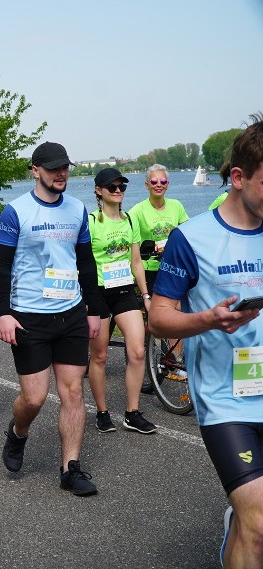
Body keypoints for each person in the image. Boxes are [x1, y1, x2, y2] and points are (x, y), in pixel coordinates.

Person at [148, 120, 263, 568]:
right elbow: (159, 318)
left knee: (252, 529)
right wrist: (210, 319)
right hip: (226, 401)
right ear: (237, 177)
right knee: (259, 524)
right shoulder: (190, 239)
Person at [0, 142, 102, 496]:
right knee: (35, 398)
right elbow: (3, 267)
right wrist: (4, 313)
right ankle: (18, 432)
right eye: (53, 168)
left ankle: (70, 468)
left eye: (65, 168)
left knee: (73, 391)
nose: (61, 174)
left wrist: (94, 309)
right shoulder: (16, 212)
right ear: (35, 170)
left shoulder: (77, 210)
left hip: (70, 312)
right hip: (29, 317)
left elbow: (86, 262)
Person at [86, 168, 157, 435]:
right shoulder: (91, 221)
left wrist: (146, 296)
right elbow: (83, 262)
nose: (118, 191)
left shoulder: (129, 221)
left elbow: (136, 262)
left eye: (121, 186)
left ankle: (132, 412)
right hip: (99, 293)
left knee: (137, 351)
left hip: (125, 291)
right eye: (112, 187)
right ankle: (102, 412)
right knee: (100, 356)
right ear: (98, 190)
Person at [128, 164, 189, 294]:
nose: (158, 185)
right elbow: (132, 245)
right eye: (154, 181)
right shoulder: (136, 211)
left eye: (163, 181)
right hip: (149, 269)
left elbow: (188, 234)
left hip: (173, 266)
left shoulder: (176, 206)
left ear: (167, 184)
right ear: (147, 185)